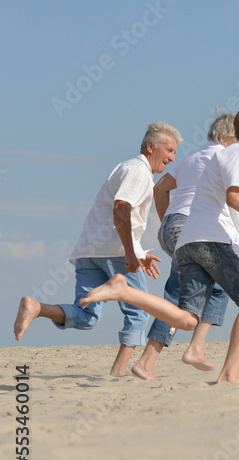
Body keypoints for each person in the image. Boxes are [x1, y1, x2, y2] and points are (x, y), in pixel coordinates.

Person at [80, 105, 239, 385]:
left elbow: (206, 197)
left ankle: (125, 292)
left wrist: (169, 225)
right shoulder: (238, 152)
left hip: (187, 238)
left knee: (187, 316)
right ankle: (228, 373)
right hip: (212, 238)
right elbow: (232, 198)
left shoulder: (204, 156)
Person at [14, 123, 181, 375]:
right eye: (169, 150)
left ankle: (37, 308)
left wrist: (139, 251)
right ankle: (119, 371)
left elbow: (116, 214)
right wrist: (128, 252)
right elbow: (121, 208)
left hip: (88, 252)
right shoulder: (139, 171)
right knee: (138, 311)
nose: (172, 157)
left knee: (87, 315)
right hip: (115, 252)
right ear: (150, 147)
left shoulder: (125, 167)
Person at [130, 112, 239, 380]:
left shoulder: (193, 156)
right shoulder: (225, 156)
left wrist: (168, 226)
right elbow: (220, 203)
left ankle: (176, 352)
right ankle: (177, 352)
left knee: (202, 286)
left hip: (176, 225)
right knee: (187, 292)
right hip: (194, 228)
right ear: (230, 137)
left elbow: (160, 189)